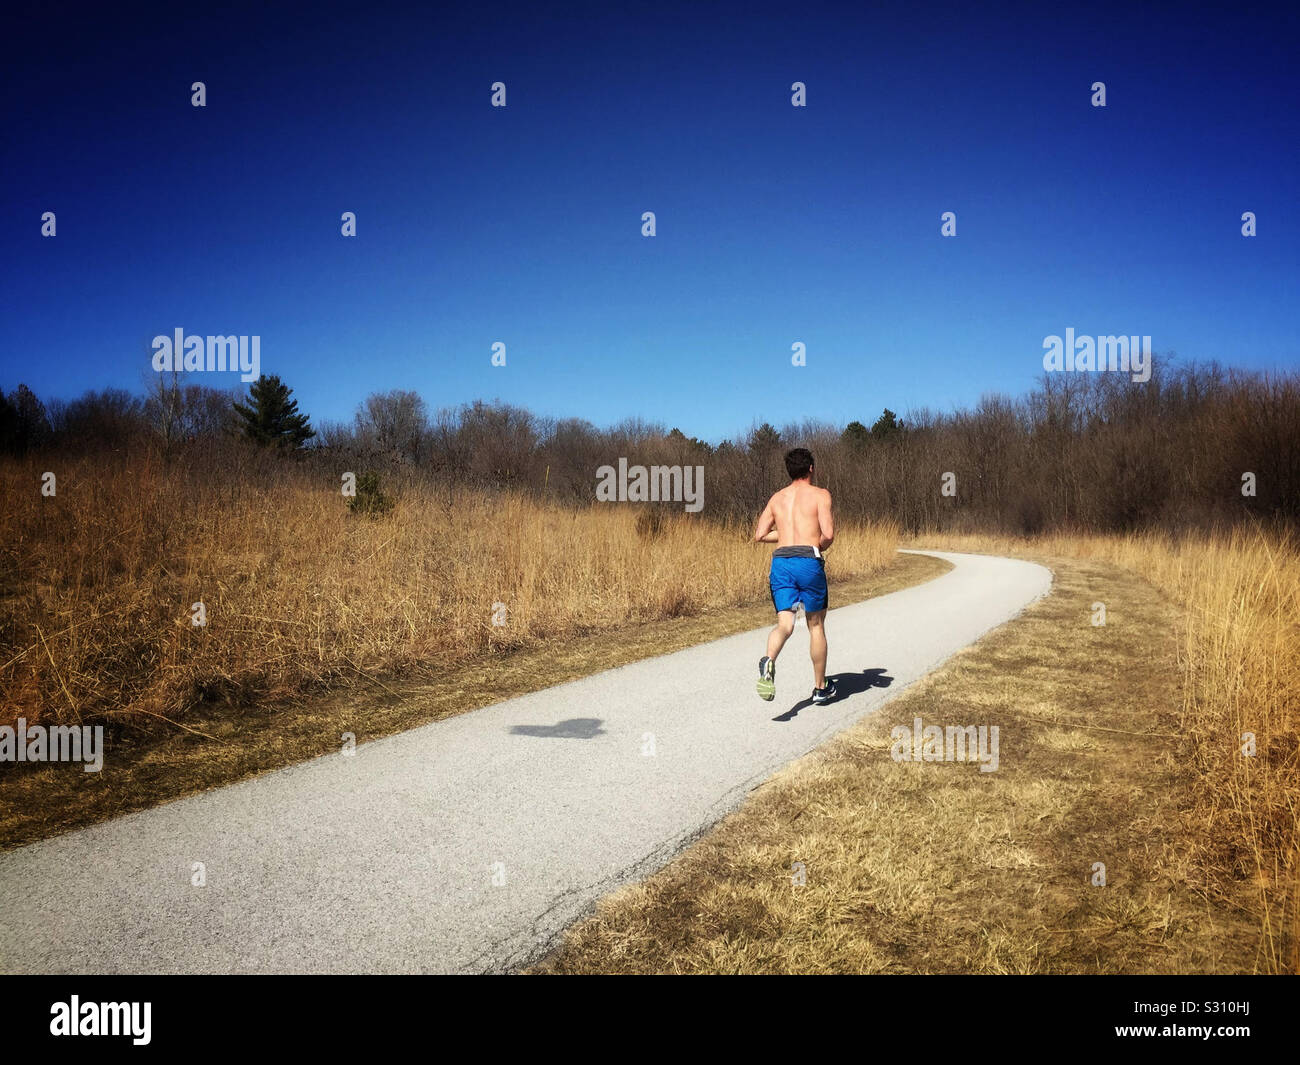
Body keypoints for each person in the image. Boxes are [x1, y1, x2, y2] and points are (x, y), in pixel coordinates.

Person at [752, 447, 837, 704]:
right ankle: (820, 688)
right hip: (808, 560)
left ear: (789, 471)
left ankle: (769, 660)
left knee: (785, 625)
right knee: (816, 625)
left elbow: (760, 535)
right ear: (811, 468)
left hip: (781, 562)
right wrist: (812, 542)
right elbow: (829, 534)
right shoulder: (820, 495)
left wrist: (788, 536)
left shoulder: (777, 498)